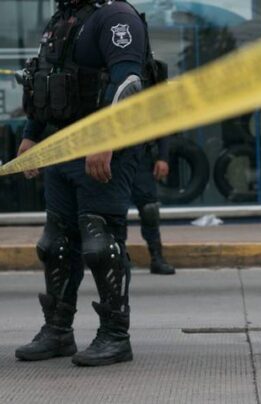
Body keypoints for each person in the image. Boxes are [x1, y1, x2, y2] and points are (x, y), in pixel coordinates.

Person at [14, 0, 154, 366]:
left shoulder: (116, 17)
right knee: (56, 244)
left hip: (104, 149)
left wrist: (105, 139)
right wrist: (31, 135)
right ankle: (58, 331)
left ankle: (115, 336)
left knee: (100, 241)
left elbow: (127, 83)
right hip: (62, 144)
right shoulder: (63, 18)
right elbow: (46, 76)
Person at [131, 138, 176, 275]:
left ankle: (157, 257)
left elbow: (161, 133)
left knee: (150, 210)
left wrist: (163, 158)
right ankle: (118, 258)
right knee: (114, 212)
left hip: (141, 156)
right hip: (113, 159)